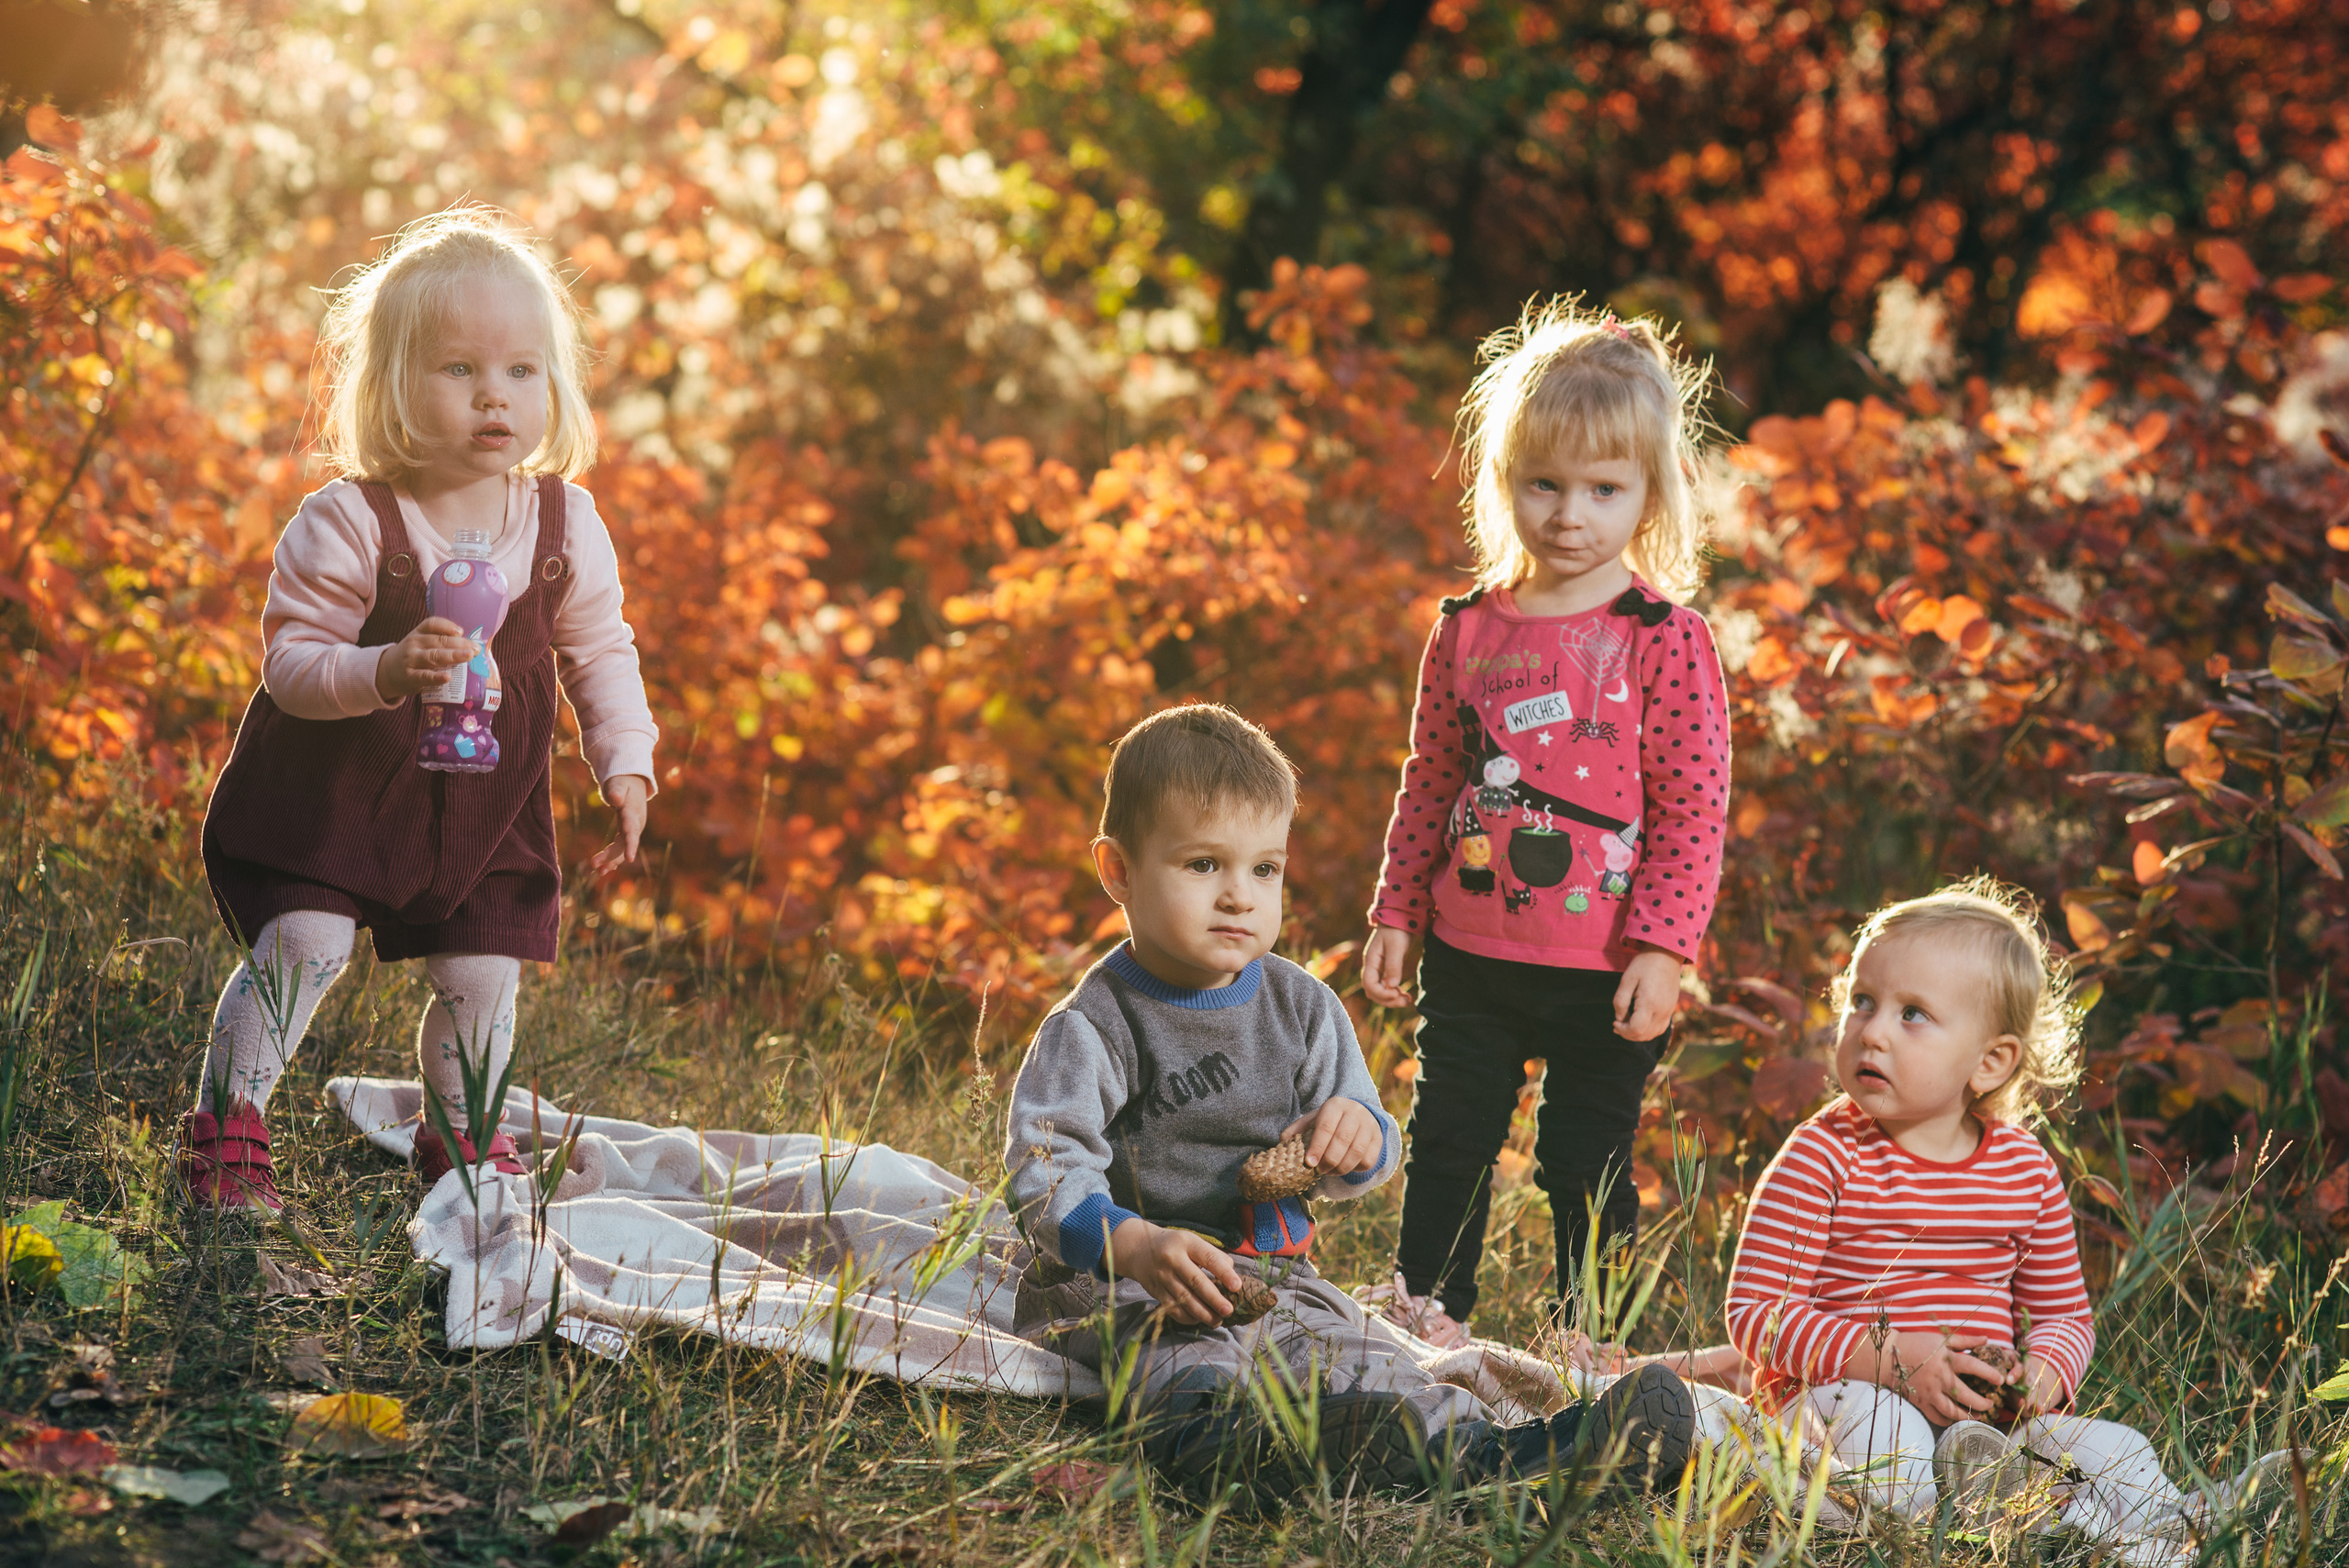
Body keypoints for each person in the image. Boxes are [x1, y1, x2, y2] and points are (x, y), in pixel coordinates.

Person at [1003, 704, 1696, 1509]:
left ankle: (1517, 1458)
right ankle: (1236, 1451)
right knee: (1183, 1364)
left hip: (1278, 1278)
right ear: (1119, 870)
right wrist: (1133, 1243)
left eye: (1265, 869)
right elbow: (1044, 1166)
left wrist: (1356, 1134)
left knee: (1380, 1362)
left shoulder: (1300, 1006)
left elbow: (1373, 1144)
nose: (1239, 896)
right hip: (1131, 1281)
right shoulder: (1098, 1022)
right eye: (1203, 865)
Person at [179, 208, 657, 1211]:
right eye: (460, 370)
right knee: (309, 947)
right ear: (396, 384)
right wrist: (387, 668)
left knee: (483, 973)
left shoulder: (566, 523)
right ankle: (229, 1125)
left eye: (523, 371)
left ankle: (461, 1139)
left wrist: (624, 757)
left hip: (487, 802)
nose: (496, 395)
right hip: (340, 789)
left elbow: (599, 650)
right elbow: (292, 665)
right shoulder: (352, 521)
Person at [1725, 878, 2300, 1562]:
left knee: (2113, 1446)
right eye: (1862, 1002)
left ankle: (2177, 1520)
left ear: (1990, 1060)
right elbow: (1757, 1311)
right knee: (1894, 1451)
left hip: (1989, 1431)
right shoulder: (1823, 1152)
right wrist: (1894, 1359)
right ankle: (1834, 1495)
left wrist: (2044, 1373)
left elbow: (2065, 1316)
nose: (1871, 1030)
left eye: (1912, 1014)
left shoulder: (2023, 1169)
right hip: (1846, 1398)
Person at [1359, 299, 1731, 1347]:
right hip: (1472, 946)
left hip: (1604, 956)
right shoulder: (1468, 627)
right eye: (1544, 483)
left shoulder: (1662, 638)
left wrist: (1665, 946)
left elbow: (1693, 803)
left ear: (1649, 494)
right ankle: (1425, 1313)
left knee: (1587, 1160)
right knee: (1451, 1138)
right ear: (1504, 480)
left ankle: (1588, 1338)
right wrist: (1395, 905)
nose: (1571, 513)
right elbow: (1431, 778)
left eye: (1603, 489)